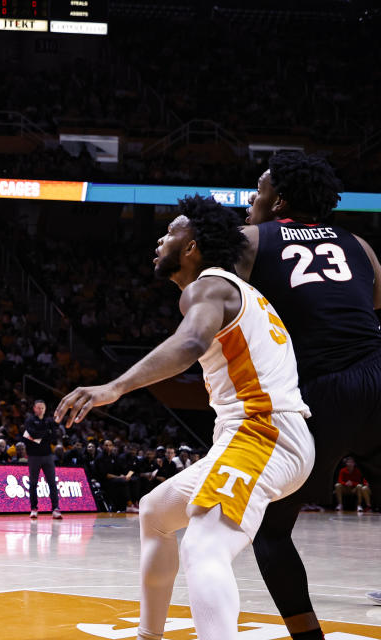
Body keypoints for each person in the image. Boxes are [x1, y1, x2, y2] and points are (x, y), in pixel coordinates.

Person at [55, 196, 314, 640]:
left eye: (171, 231)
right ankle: (148, 635)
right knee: (155, 511)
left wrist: (112, 387)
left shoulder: (209, 285)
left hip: (263, 433)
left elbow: (191, 342)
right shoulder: (239, 292)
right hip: (264, 434)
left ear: (192, 246)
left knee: (202, 544)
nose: (160, 238)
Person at [238, 151, 381, 639]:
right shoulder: (359, 244)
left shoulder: (252, 240)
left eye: (258, 190)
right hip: (378, 369)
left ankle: (308, 637)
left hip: (323, 387)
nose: (251, 200)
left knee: (272, 530)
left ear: (278, 199)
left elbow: (223, 304)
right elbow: (370, 299)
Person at [23, 400, 63, 520]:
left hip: (47, 456)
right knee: (33, 483)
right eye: (38, 407)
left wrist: (39, 435)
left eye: (42, 408)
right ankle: (34, 508)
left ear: (45, 409)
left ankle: (55, 509)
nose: (40, 410)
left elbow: (54, 436)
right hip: (33, 456)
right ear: (34, 408)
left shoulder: (49, 420)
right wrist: (44, 434)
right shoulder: (29, 420)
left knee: (52, 483)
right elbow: (30, 434)